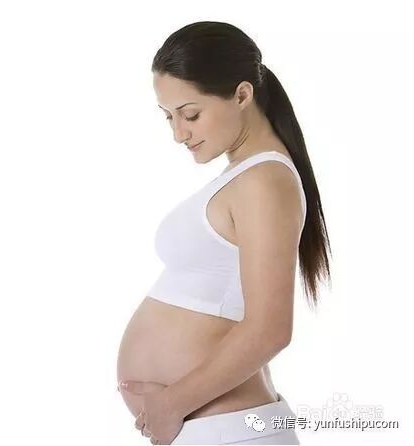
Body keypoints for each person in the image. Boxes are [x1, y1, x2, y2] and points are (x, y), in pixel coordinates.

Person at [116, 20, 332, 445]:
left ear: (242, 95)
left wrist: (171, 403)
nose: (178, 134)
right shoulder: (244, 175)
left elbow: (270, 329)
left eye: (190, 114)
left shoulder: (264, 180)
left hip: (230, 431)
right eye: (168, 117)